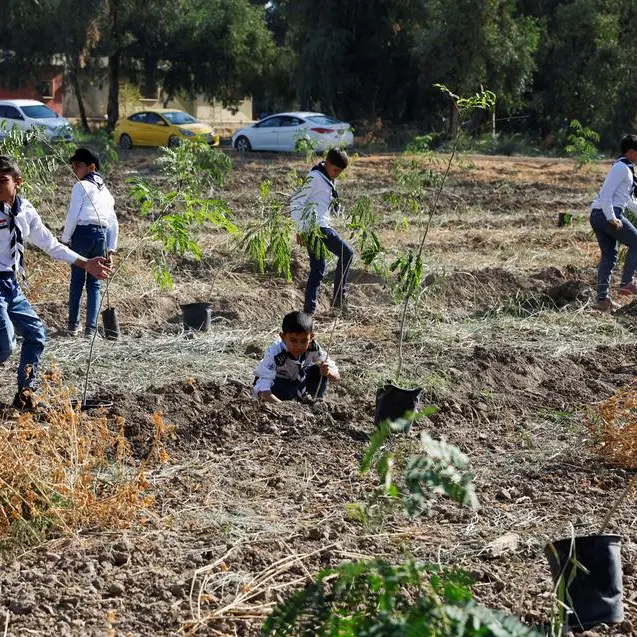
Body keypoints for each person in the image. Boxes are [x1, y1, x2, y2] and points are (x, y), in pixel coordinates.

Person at [0, 155, 111, 409]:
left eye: (2, 180)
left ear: (18, 182)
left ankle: (25, 393)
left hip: (11, 285)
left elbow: (51, 245)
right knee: (5, 342)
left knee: (36, 334)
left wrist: (85, 263)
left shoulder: (26, 211)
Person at [62, 148, 118, 336]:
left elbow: (72, 214)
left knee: (77, 280)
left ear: (91, 167)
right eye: (73, 166)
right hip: (100, 236)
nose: (74, 169)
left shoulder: (81, 186)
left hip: (82, 234)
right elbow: (112, 222)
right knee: (94, 283)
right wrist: (111, 248)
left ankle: (73, 325)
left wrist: (65, 239)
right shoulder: (106, 193)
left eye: (78, 166)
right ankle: (90, 328)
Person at [291, 147, 353, 315]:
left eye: (339, 172)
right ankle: (339, 301)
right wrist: (301, 229)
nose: (336, 174)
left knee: (318, 269)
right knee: (347, 253)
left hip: (321, 225)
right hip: (316, 227)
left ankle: (309, 312)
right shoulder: (315, 177)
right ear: (328, 162)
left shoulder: (327, 178)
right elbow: (296, 202)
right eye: (335, 170)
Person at [590, 134, 637, 311]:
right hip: (606, 214)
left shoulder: (626, 168)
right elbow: (606, 193)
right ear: (631, 152)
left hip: (600, 214)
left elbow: (629, 201)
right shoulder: (621, 168)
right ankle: (627, 282)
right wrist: (611, 217)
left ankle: (602, 300)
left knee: (609, 257)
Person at [253, 310, 340, 404]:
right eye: (293, 340)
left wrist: (328, 372)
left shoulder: (313, 347)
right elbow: (262, 389)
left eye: (303, 341)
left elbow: (336, 376)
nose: (299, 346)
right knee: (283, 388)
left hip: (297, 383)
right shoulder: (275, 352)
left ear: (311, 337)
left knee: (318, 370)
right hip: (279, 386)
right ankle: (290, 402)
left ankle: (315, 404)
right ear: (283, 337)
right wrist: (284, 408)